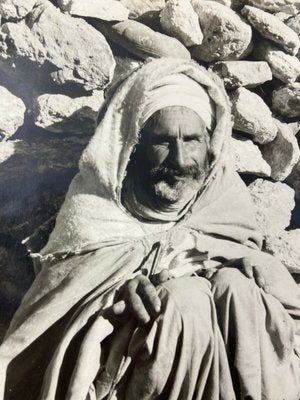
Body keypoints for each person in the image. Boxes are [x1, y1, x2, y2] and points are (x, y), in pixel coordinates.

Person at [0, 58, 300, 400]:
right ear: (135, 145)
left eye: (192, 139)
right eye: (162, 141)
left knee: (236, 289)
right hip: (132, 367)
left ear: (210, 143)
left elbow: (274, 305)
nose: (180, 158)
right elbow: (56, 315)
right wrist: (116, 293)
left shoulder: (223, 201)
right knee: (185, 302)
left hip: (230, 364)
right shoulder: (95, 211)